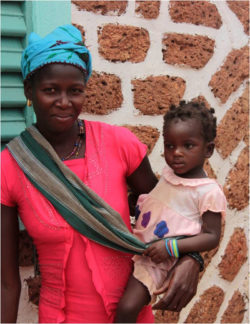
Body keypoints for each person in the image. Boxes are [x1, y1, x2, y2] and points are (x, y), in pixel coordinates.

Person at [1, 25, 201, 323]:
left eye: (75, 91)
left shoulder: (118, 144)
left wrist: (192, 259)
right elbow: (6, 282)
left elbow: (171, 215)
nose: (65, 102)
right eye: (50, 90)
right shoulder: (11, 167)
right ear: (29, 91)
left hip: (129, 315)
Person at [115, 101, 227, 323]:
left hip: (158, 261)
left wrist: (171, 246)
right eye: (170, 146)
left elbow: (212, 236)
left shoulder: (208, 192)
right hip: (137, 246)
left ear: (208, 149)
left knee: (127, 308)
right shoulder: (170, 175)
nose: (176, 153)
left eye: (188, 145)